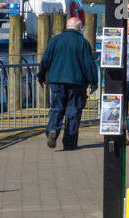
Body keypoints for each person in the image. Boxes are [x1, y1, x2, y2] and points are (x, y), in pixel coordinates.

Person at [37, 16, 98, 150]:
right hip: (77, 82)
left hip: (57, 80)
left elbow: (45, 60)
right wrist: (94, 82)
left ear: (66, 27)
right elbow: (89, 65)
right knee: (73, 111)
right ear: (80, 28)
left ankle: (53, 129)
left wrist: (41, 76)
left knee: (56, 108)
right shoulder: (83, 43)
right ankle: (70, 142)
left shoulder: (55, 40)